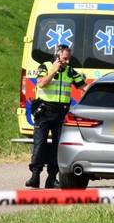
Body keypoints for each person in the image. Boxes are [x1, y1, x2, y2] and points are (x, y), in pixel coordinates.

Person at [27, 44, 86, 188]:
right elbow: (41, 84)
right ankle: (35, 176)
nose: (67, 62)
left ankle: (52, 178)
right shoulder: (45, 66)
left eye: (68, 59)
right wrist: (54, 70)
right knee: (39, 144)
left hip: (61, 114)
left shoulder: (70, 71)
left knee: (58, 147)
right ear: (57, 56)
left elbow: (83, 87)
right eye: (65, 59)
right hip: (44, 112)